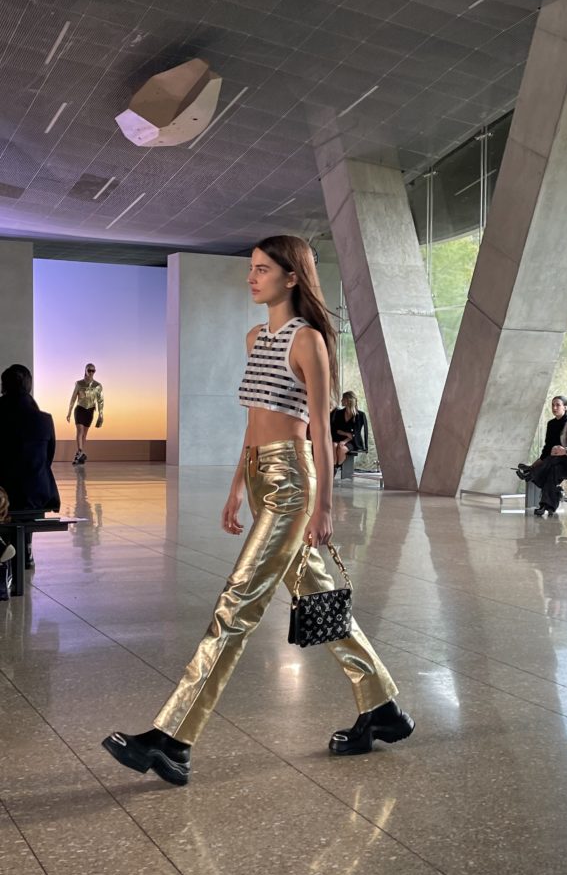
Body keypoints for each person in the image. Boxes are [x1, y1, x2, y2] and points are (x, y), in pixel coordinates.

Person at [103, 235, 414, 786]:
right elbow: (252, 425)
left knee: (236, 604)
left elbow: (319, 427)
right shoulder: (255, 337)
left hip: (294, 483)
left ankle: (173, 738)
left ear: (292, 277)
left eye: (263, 269)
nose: (252, 278)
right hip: (257, 475)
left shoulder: (309, 341)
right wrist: (233, 488)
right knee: (320, 601)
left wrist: (323, 506)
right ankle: (381, 705)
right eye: (251, 269)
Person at [0, 364, 60, 569]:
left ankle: (4, 546)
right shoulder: (44, 419)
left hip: (5, 496)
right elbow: (48, 458)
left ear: (3, 386)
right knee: (27, 483)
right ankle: (25, 547)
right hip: (39, 493)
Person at [516, 395, 567, 481]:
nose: (554, 408)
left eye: (558, 405)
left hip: (563, 457)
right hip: (551, 455)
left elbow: (564, 445)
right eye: (552, 405)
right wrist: (537, 462)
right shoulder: (551, 423)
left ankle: (530, 472)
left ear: (565, 407)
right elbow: (548, 445)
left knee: (551, 460)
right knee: (548, 457)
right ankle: (531, 470)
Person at [66, 363, 104, 464]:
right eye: (89, 370)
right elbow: (73, 398)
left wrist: (101, 415)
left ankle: (79, 454)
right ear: (85, 371)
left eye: (93, 371)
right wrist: (69, 412)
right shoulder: (79, 383)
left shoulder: (98, 386)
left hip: (90, 410)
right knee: (80, 431)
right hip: (80, 409)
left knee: (84, 434)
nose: (91, 372)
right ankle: (80, 452)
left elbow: (100, 401)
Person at [330, 390, 369, 471]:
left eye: (343, 399)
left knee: (342, 448)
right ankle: (335, 466)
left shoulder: (360, 415)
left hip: (353, 441)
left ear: (348, 400)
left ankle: (336, 467)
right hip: (339, 438)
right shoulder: (339, 413)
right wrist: (346, 433)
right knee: (334, 445)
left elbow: (355, 433)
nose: (341, 401)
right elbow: (336, 429)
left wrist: (345, 440)